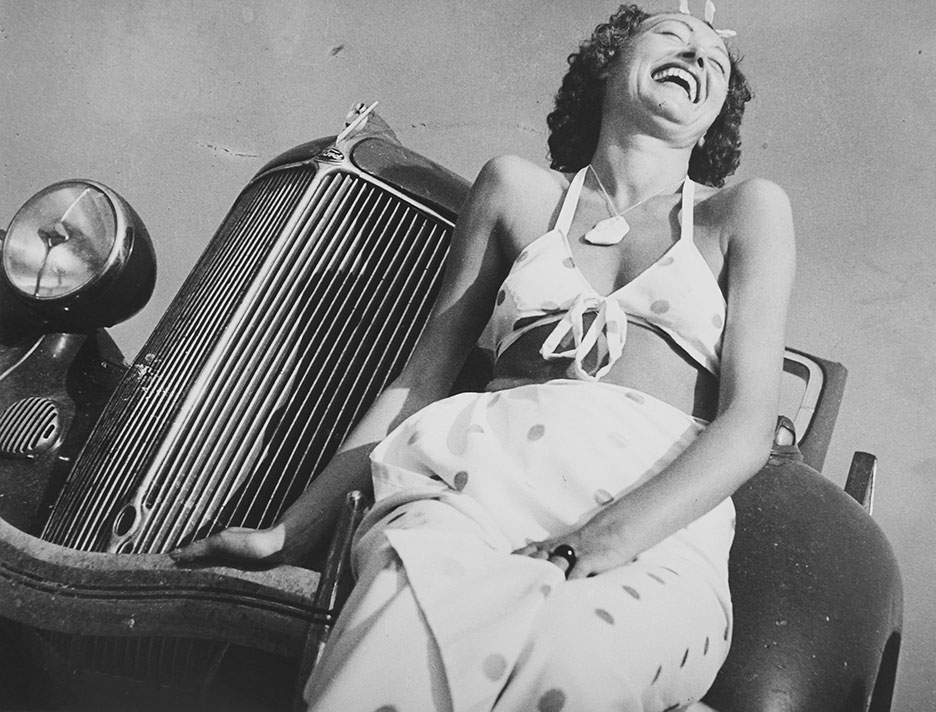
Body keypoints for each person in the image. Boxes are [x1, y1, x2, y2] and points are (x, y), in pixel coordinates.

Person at [172, 3, 795, 710]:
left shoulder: (743, 213)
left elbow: (748, 425)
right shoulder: (517, 190)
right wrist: (294, 530)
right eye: (673, 38)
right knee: (403, 632)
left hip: (652, 520)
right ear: (609, 62)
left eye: (715, 60)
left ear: (718, 117)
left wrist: (605, 540)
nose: (698, 57)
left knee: (582, 660)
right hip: (473, 488)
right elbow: (418, 382)